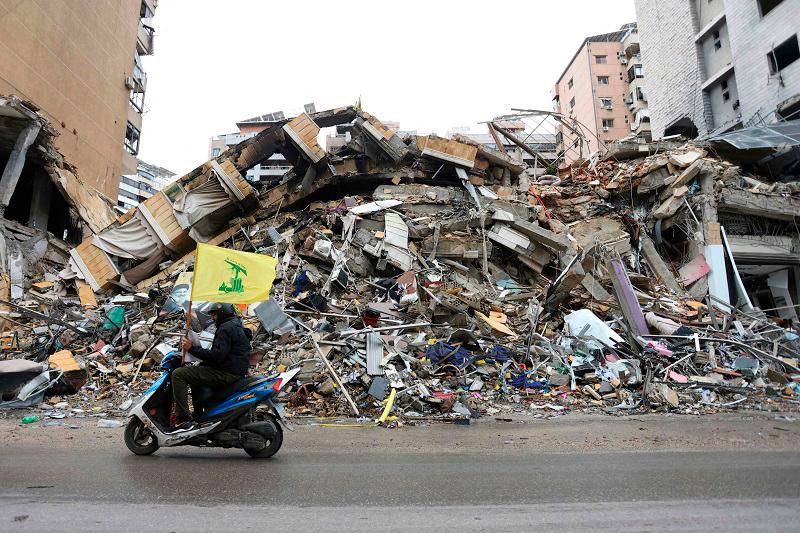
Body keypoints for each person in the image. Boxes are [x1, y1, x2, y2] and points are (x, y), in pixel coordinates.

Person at [170, 302, 251, 432]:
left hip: (227, 372)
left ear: (222, 313)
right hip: (234, 370)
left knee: (179, 374)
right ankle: (198, 416)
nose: (213, 318)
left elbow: (217, 356)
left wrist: (191, 348)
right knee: (196, 373)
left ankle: (183, 419)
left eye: (214, 314)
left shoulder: (225, 328)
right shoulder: (236, 324)